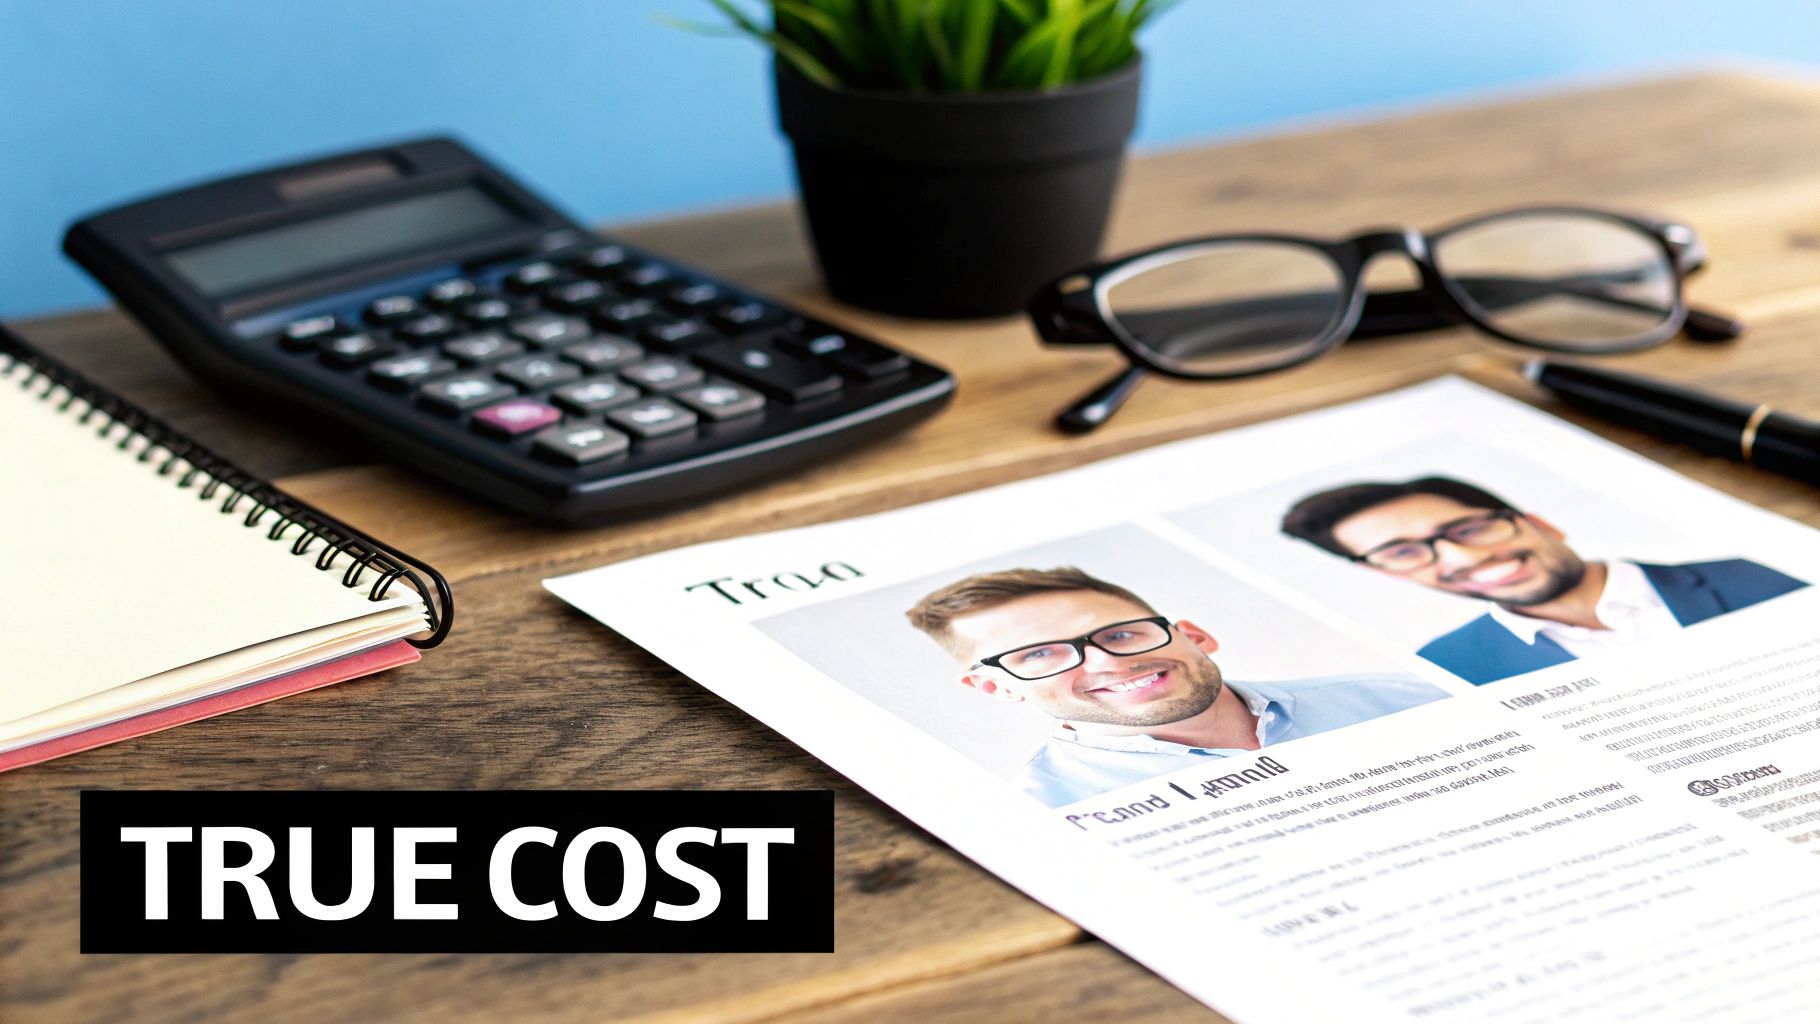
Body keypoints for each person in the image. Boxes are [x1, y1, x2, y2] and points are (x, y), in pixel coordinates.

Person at [904, 567, 1448, 808]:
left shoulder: (1407, 697)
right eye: (1040, 654)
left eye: (1121, 633)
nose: (1107, 662)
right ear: (995, 688)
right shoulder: (1047, 813)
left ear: (1194, 635)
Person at [1280, 476, 1808, 684]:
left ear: (1539, 523)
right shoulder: (1448, 670)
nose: (1463, 556)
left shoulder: (1762, 575)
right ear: (1386, 574)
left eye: (1469, 528)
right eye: (1403, 552)